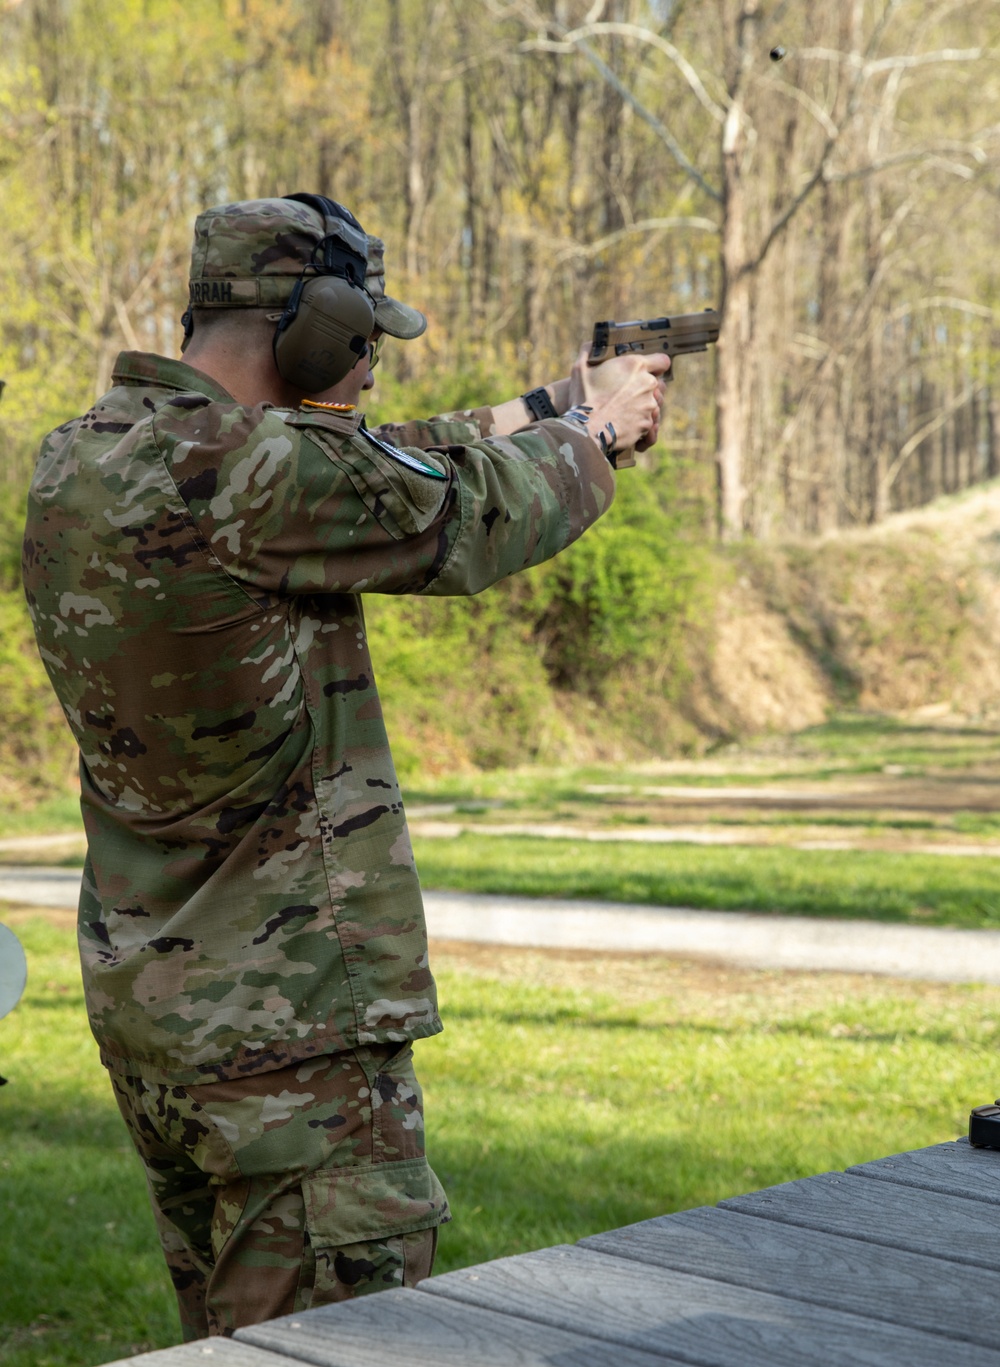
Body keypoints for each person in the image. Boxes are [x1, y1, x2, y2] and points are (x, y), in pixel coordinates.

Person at [22, 194, 668, 1340]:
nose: (369, 363)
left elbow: (368, 457)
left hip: (162, 1015)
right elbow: (465, 510)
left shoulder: (85, 455)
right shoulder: (250, 473)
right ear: (306, 324)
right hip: (296, 1034)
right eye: (361, 336)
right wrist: (597, 436)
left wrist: (551, 403)